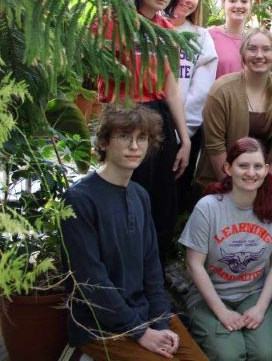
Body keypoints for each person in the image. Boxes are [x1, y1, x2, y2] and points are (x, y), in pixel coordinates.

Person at [61, 104, 207, 361]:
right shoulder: (79, 200)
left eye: (142, 138)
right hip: (99, 327)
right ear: (104, 142)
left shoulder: (140, 195)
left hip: (146, 314)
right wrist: (140, 332)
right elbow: (91, 281)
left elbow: (152, 268)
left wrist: (161, 324)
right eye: (125, 136)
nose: (134, 146)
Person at [96, 0, 191, 261]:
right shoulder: (113, 19)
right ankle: (120, 270)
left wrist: (185, 138)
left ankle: (157, 271)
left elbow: (170, 87)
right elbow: (95, 71)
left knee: (161, 199)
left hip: (158, 115)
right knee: (122, 196)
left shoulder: (167, 29)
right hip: (122, 115)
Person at [179, 137, 272, 361]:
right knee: (230, 356)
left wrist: (261, 307)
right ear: (228, 168)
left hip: (253, 294)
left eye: (257, 166)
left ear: (265, 170)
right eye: (243, 165)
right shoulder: (209, 207)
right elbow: (194, 265)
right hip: (212, 295)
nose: (250, 173)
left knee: (267, 354)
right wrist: (221, 312)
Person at [196, 28, 272, 190]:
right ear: (242, 53)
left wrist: (266, 184)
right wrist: (234, 190)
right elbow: (215, 145)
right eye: (252, 49)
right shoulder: (221, 90)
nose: (259, 55)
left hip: (265, 184)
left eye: (266, 49)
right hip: (222, 183)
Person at [170, 0, 218, 210]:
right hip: (145, 124)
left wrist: (181, 134)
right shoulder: (148, 28)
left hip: (184, 132)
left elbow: (200, 93)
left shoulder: (201, 37)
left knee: (172, 199)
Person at [207, 0, 253, 78]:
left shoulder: (254, 39)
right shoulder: (209, 36)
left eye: (244, 1)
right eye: (232, 1)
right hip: (217, 92)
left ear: (250, 6)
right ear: (223, 4)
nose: (239, 6)